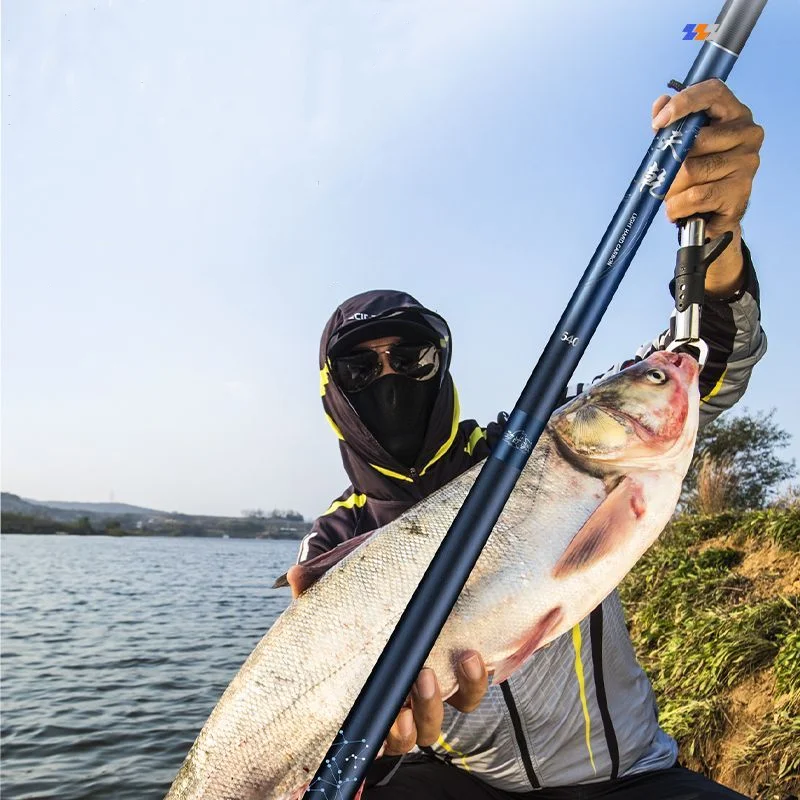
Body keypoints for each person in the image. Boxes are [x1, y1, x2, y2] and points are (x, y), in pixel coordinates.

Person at [286, 80, 767, 798]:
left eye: (412, 357)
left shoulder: (539, 446)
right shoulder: (333, 542)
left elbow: (700, 366)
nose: (390, 377)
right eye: (362, 364)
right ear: (333, 390)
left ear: (442, 367)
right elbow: (314, 713)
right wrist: (373, 741)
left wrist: (716, 241)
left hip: (627, 775)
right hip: (458, 781)